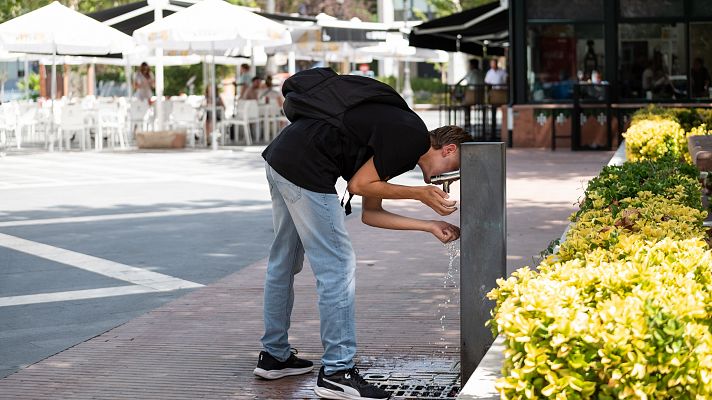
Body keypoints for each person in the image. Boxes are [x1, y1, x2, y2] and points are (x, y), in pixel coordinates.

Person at [253, 68, 466, 400]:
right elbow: (358, 185)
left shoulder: (399, 139)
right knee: (337, 267)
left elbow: (372, 213)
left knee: (284, 261)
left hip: (282, 156)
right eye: (453, 170)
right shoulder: (410, 136)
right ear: (449, 149)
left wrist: (428, 226)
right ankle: (337, 372)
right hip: (307, 167)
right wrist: (418, 194)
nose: (446, 179)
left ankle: (274, 356)